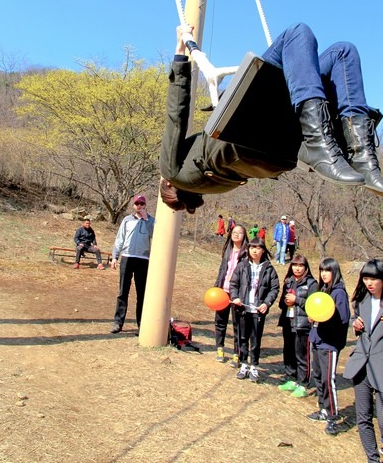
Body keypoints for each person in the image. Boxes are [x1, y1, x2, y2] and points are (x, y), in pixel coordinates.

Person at [159, 23, 383, 214]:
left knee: (341, 53)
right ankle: (339, 149)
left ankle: (363, 160)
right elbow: (176, 118)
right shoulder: (174, 174)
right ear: (169, 184)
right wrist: (180, 52)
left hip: (279, 147)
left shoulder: (218, 186)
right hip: (245, 124)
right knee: (302, 35)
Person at [343, 259, 383, 463]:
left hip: (381, 367)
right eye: (366, 278)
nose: (369, 283)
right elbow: (355, 322)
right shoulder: (361, 300)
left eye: (374, 278)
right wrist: (355, 324)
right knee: (363, 417)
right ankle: (372, 459)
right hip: (361, 365)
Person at [307, 257, 350, 436]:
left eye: (328, 270)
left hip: (329, 344)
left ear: (335, 272)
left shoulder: (339, 293)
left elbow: (343, 318)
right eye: (322, 270)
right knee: (318, 377)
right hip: (317, 339)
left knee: (328, 379)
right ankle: (323, 409)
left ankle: (332, 417)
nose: (324, 274)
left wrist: (322, 319)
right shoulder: (323, 289)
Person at [230, 237, 279, 382]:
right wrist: (236, 297)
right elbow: (234, 283)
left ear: (262, 250)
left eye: (257, 248)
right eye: (252, 248)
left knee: (255, 340)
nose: (254, 251)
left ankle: (254, 366)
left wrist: (267, 303)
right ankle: (244, 364)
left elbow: (274, 288)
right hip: (243, 309)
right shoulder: (242, 265)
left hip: (258, 311)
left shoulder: (269, 268)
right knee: (242, 338)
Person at [109, 195, 155, 334]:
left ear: (145, 205)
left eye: (142, 204)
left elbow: (155, 235)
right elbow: (120, 239)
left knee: (142, 293)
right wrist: (115, 257)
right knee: (123, 291)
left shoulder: (152, 221)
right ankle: (118, 323)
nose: (139, 206)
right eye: (137, 204)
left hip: (143, 259)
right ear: (133, 205)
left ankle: (142, 324)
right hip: (127, 257)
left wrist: (146, 219)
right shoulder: (127, 220)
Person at [277, 254, 318, 397]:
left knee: (302, 355)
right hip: (288, 322)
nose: (297, 268)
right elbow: (281, 304)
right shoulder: (288, 282)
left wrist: (297, 300)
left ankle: (303, 384)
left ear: (306, 268)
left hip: (303, 324)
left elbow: (314, 305)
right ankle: (291, 378)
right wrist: (286, 302)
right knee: (288, 352)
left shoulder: (312, 283)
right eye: (295, 265)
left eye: (301, 266)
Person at [213, 224, 249, 366]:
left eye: (240, 233)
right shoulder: (227, 249)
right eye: (234, 232)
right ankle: (220, 349)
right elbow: (223, 269)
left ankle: (237, 354)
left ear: (244, 236)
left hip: (238, 293)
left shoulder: (247, 253)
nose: (236, 235)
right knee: (220, 321)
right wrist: (217, 285)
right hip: (223, 291)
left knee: (238, 325)